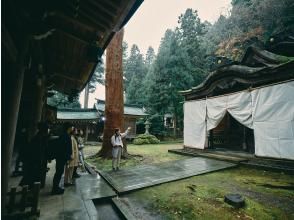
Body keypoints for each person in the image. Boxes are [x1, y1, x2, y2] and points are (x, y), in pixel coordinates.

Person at [21, 122, 49, 189]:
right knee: (33, 180)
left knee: (33, 180)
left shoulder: (39, 138)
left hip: (36, 163)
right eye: (47, 129)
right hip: (35, 164)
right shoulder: (38, 139)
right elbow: (38, 153)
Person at [51, 123, 73, 195]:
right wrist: (68, 156)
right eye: (71, 127)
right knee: (59, 172)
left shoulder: (63, 135)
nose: (72, 129)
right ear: (69, 128)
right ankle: (55, 188)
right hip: (62, 157)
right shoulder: (65, 136)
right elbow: (65, 148)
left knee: (59, 172)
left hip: (60, 156)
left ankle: (55, 187)